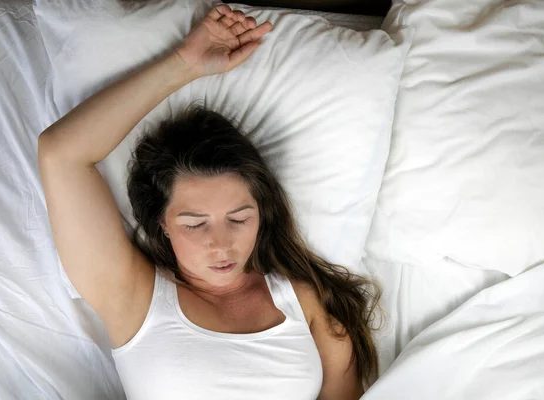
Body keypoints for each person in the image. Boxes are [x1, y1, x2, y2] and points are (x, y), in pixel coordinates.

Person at [38, 4, 380, 399]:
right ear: (162, 222)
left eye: (238, 217)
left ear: (262, 213)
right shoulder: (133, 297)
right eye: (195, 223)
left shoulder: (305, 300)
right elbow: (60, 153)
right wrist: (185, 64)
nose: (221, 243)